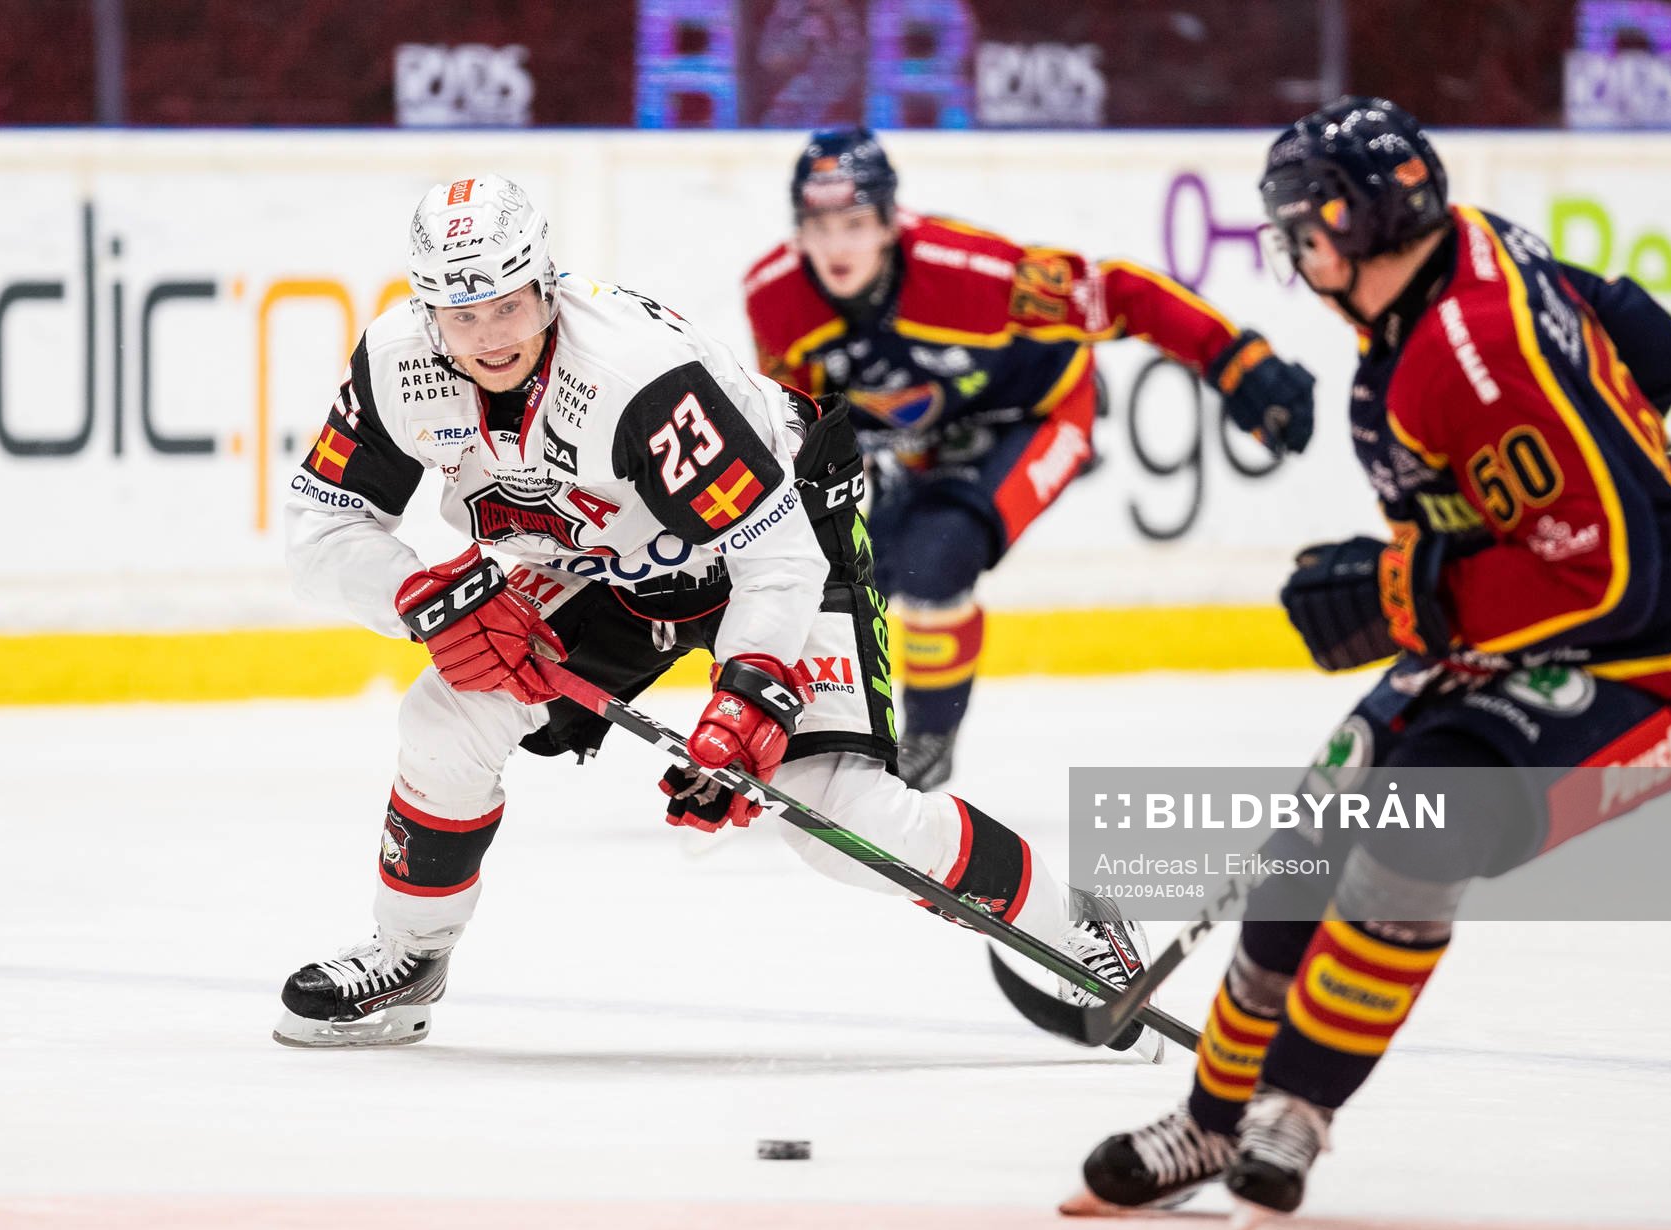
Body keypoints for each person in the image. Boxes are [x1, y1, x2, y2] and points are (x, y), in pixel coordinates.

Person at [1067, 99, 1671, 1230]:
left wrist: (1408, 591)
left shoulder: (1467, 354)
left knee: (1414, 838)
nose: (1298, 254)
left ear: (1352, 223)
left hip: (1654, 662)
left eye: (1304, 230)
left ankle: (1294, 1109)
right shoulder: (1471, 247)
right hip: (1531, 624)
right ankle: (1212, 1119)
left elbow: (1612, 581)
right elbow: (1659, 353)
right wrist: (1598, 431)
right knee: (1307, 846)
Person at [272, 174, 1161, 1058]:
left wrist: (747, 695)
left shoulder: (633, 375)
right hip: (603, 562)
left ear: (545, 284)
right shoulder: (396, 364)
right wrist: (423, 597)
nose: (491, 336)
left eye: (509, 305)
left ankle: (1080, 926)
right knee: (445, 717)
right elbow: (318, 529)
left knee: (839, 813)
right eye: (463, 316)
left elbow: (774, 555)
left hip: (777, 539)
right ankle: (409, 957)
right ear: (428, 311)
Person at [743, 127, 1317, 790]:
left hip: (1039, 415)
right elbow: (803, 423)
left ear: (890, 223)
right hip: (922, 441)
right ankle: (818, 730)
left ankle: (928, 740)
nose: (836, 247)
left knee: (938, 555)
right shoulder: (774, 296)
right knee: (846, 572)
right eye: (818, 227)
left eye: (855, 223)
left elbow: (1119, 294)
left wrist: (1237, 363)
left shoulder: (973, 274)